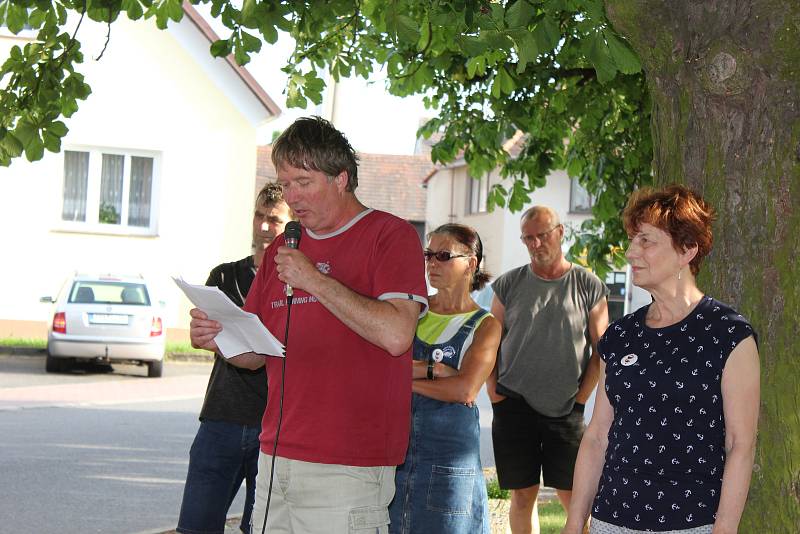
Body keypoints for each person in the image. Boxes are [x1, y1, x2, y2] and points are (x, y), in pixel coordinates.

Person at [189, 116, 428, 534]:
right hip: (276, 458)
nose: (292, 196)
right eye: (285, 184)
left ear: (341, 178)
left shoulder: (390, 236)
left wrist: (314, 280)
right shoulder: (286, 245)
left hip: (348, 466)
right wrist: (219, 336)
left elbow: (396, 336)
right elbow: (255, 357)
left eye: (303, 181)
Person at [562, 185, 760, 534]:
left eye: (646, 241)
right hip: (613, 519)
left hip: (692, 522)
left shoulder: (728, 335)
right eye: (633, 240)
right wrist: (575, 522)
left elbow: (740, 445)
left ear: (687, 250)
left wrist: (724, 530)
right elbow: (597, 436)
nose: (630, 252)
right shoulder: (620, 336)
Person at [177, 183, 292, 534]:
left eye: (273, 219)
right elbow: (205, 332)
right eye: (259, 215)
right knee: (195, 526)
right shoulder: (224, 276)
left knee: (258, 529)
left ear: (292, 224)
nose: (262, 226)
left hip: (274, 426)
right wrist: (200, 336)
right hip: (220, 418)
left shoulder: (299, 282)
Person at [489, 206, 610, 534]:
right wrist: (495, 396)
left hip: (567, 407)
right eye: (528, 238)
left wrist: (582, 400)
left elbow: (603, 350)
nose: (536, 243)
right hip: (513, 404)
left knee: (575, 498)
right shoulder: (508, 284)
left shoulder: (588, 284)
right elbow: (488, 346)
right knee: (523, 496)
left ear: (560, 233)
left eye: (542, 235)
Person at [389, 224, 502, 534]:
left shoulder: (485, 325)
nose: (431, 264)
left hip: (450, 469)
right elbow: (379, 364)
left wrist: (401, 379)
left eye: (443, 255)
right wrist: (436, 372)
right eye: (428, 255)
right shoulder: (411, 309)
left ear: (472, 263)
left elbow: (465, 389)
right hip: (396, 460)